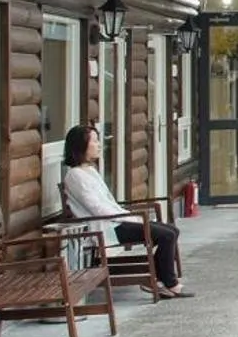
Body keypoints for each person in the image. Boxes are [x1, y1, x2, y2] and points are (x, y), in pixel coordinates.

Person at [61, 125, 190, 297]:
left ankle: (158, 280)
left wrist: (127, 216)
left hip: (116, 220)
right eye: (94, 141)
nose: (99, 145)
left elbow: (108, 202)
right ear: (80, 145)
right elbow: (96, 207)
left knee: (172, 230)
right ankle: (169, 283)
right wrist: (128, 217)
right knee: (167, 235)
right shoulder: (74, 176)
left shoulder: (89, 171)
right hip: (106, 226)